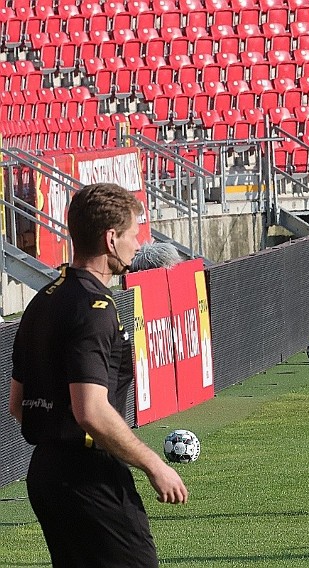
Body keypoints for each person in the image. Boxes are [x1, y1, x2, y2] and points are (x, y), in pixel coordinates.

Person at [8, 182, 188, 567]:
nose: (139, 244)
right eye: (133, 233)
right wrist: (155, 465)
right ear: (111, 239)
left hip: (45, 472)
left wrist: (56, 441)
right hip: (89, 477)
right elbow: (90, 411)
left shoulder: (42, 300)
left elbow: (17, 403)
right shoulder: (95, 308)